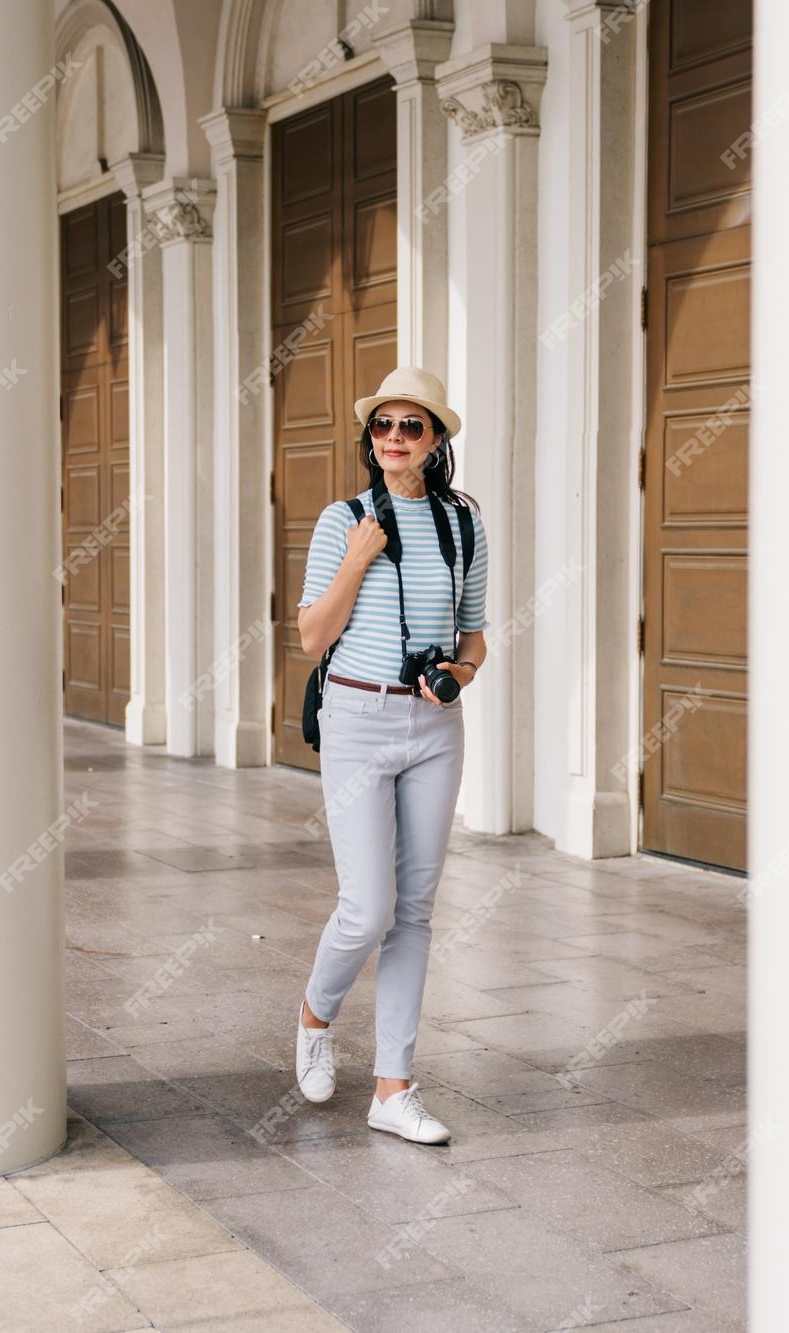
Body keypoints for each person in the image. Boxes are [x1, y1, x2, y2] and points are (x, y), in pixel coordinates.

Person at [292, 367, 488, 1145]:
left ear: (435, 440)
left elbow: (474, 631)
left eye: (412, 426)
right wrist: (358, 557)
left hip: (434, 728)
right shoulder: (344, 519)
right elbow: (311, 635)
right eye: (383, 426)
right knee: (366, 905)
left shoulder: (461, 524)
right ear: (370, 439)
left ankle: (393, 1086)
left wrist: (461, 673)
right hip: (356, 718)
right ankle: (314, 1017)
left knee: (413, 911)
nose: (395, 439)